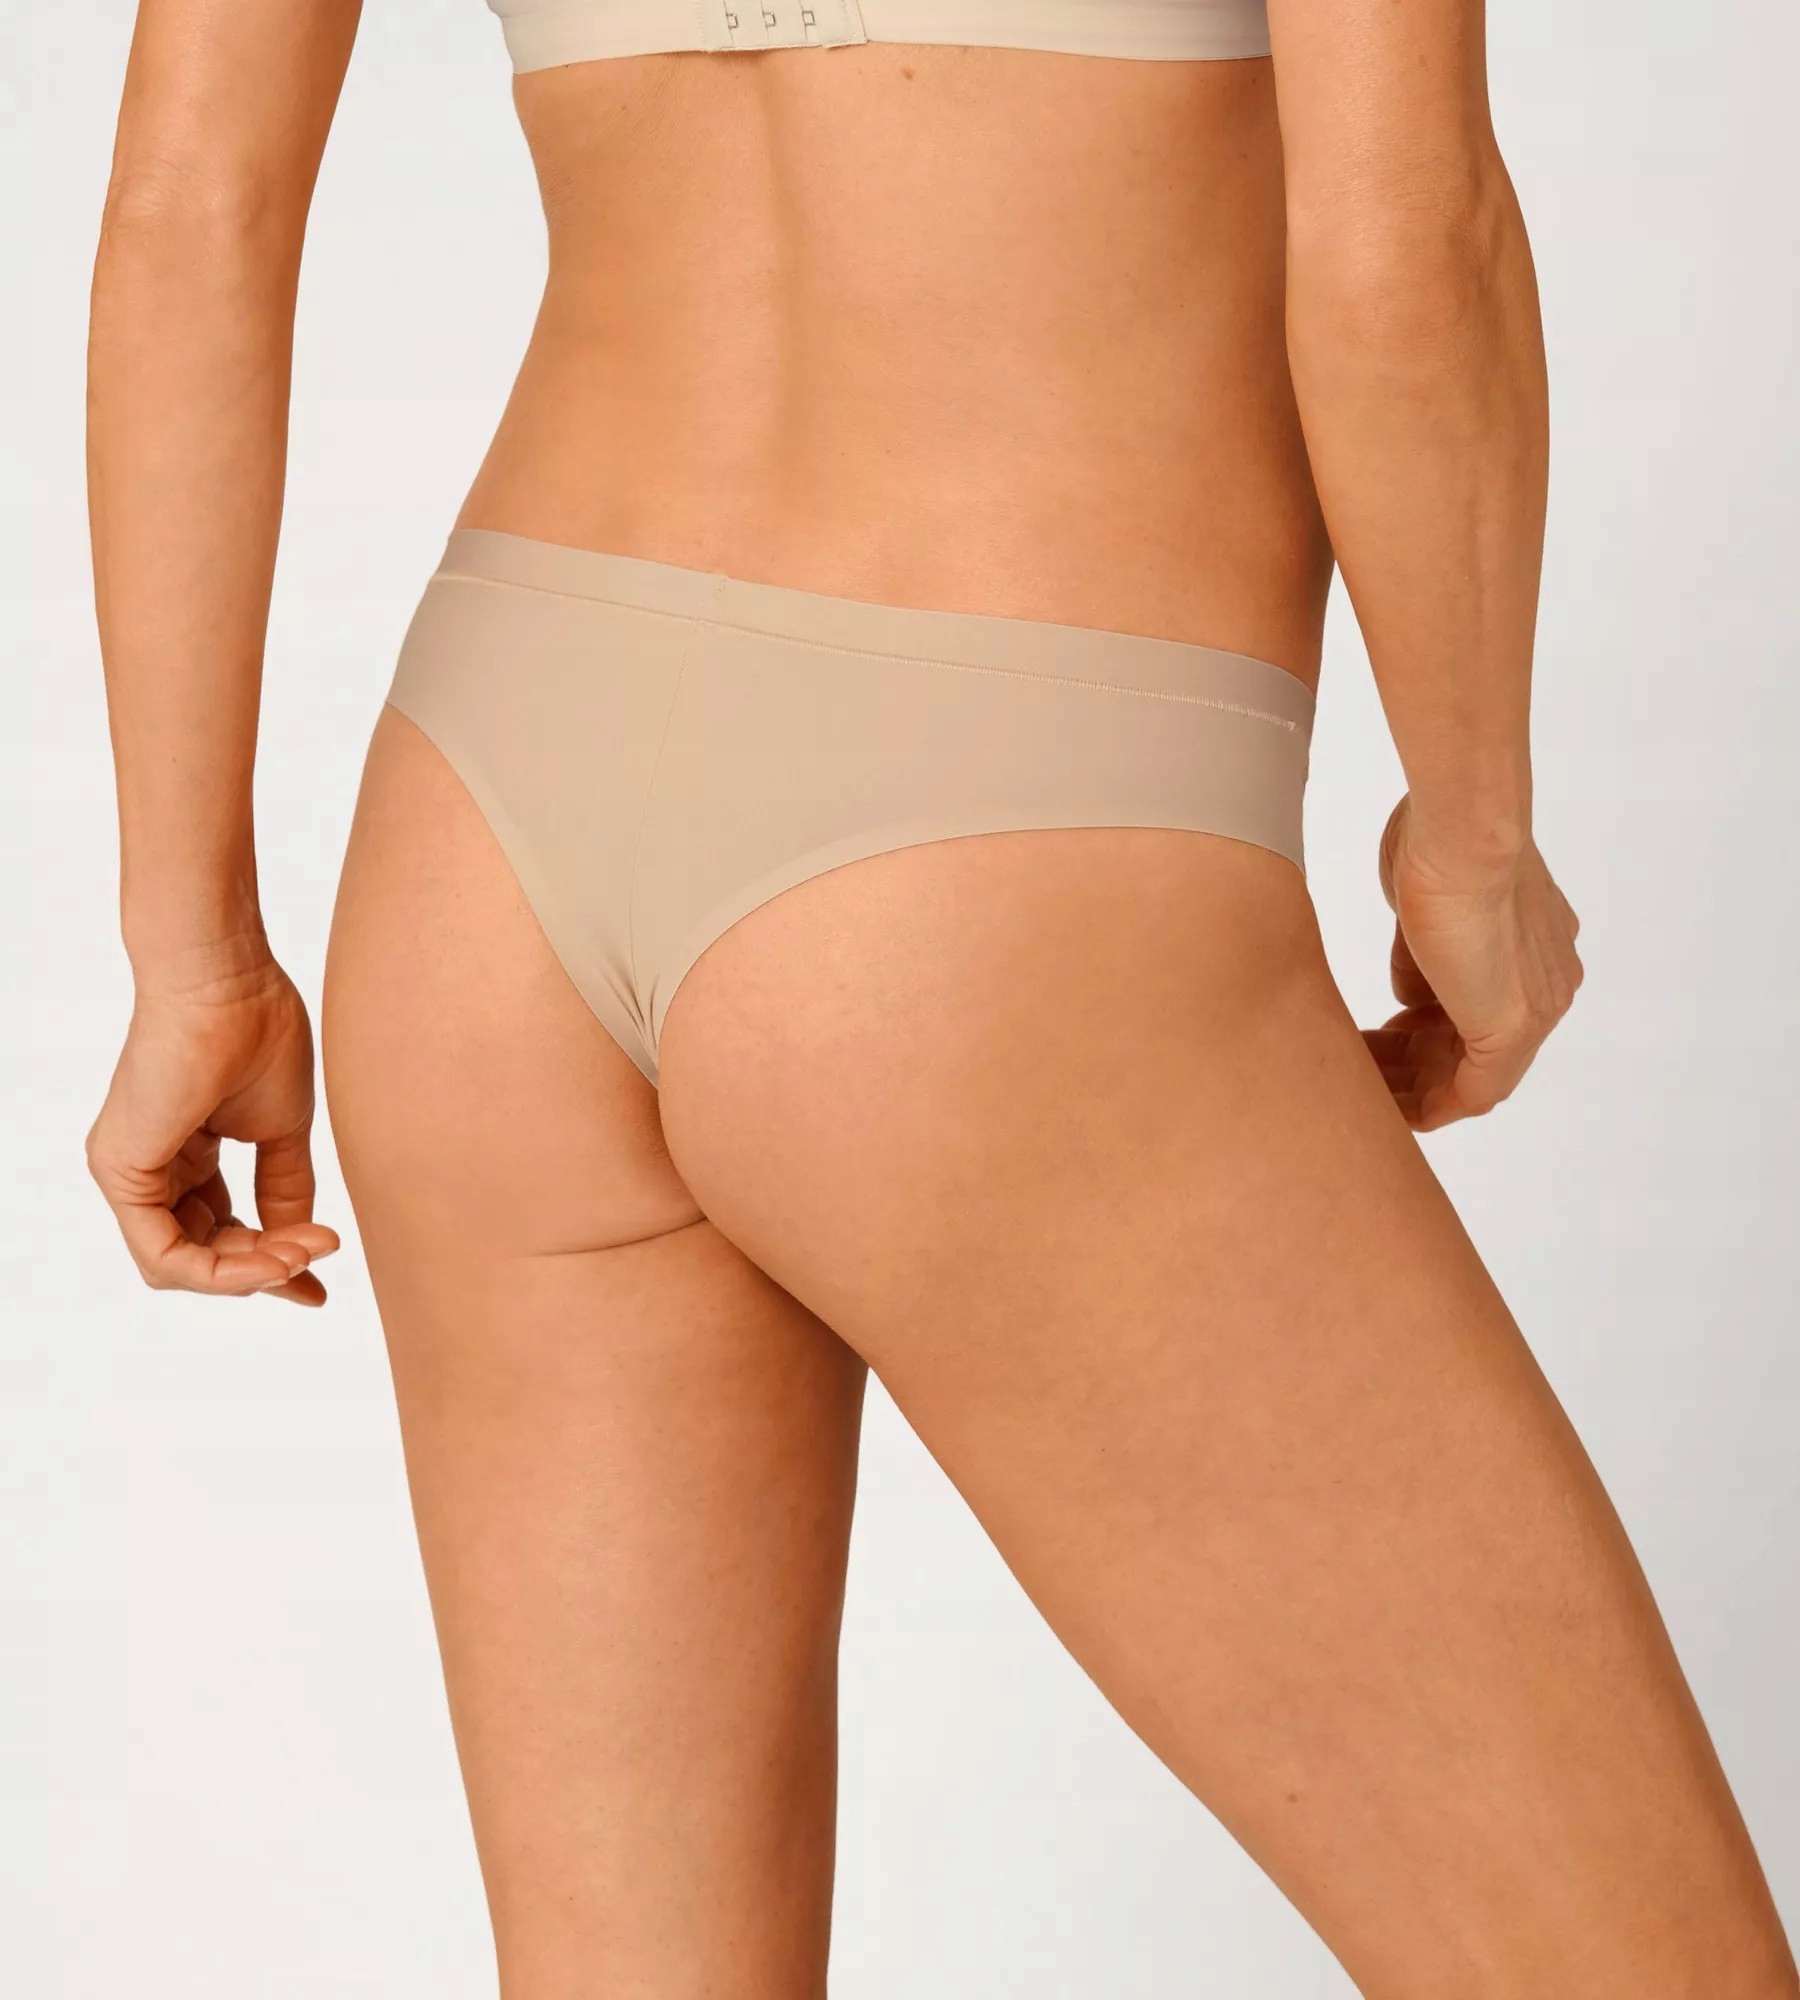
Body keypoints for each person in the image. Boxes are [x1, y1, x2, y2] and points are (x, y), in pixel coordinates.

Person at [82, 0, 1797, 1991]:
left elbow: (188, 204)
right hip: (1003, 829)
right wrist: (1474, 839)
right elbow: (1409, 238)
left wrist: (194, 951)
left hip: (491, 818)